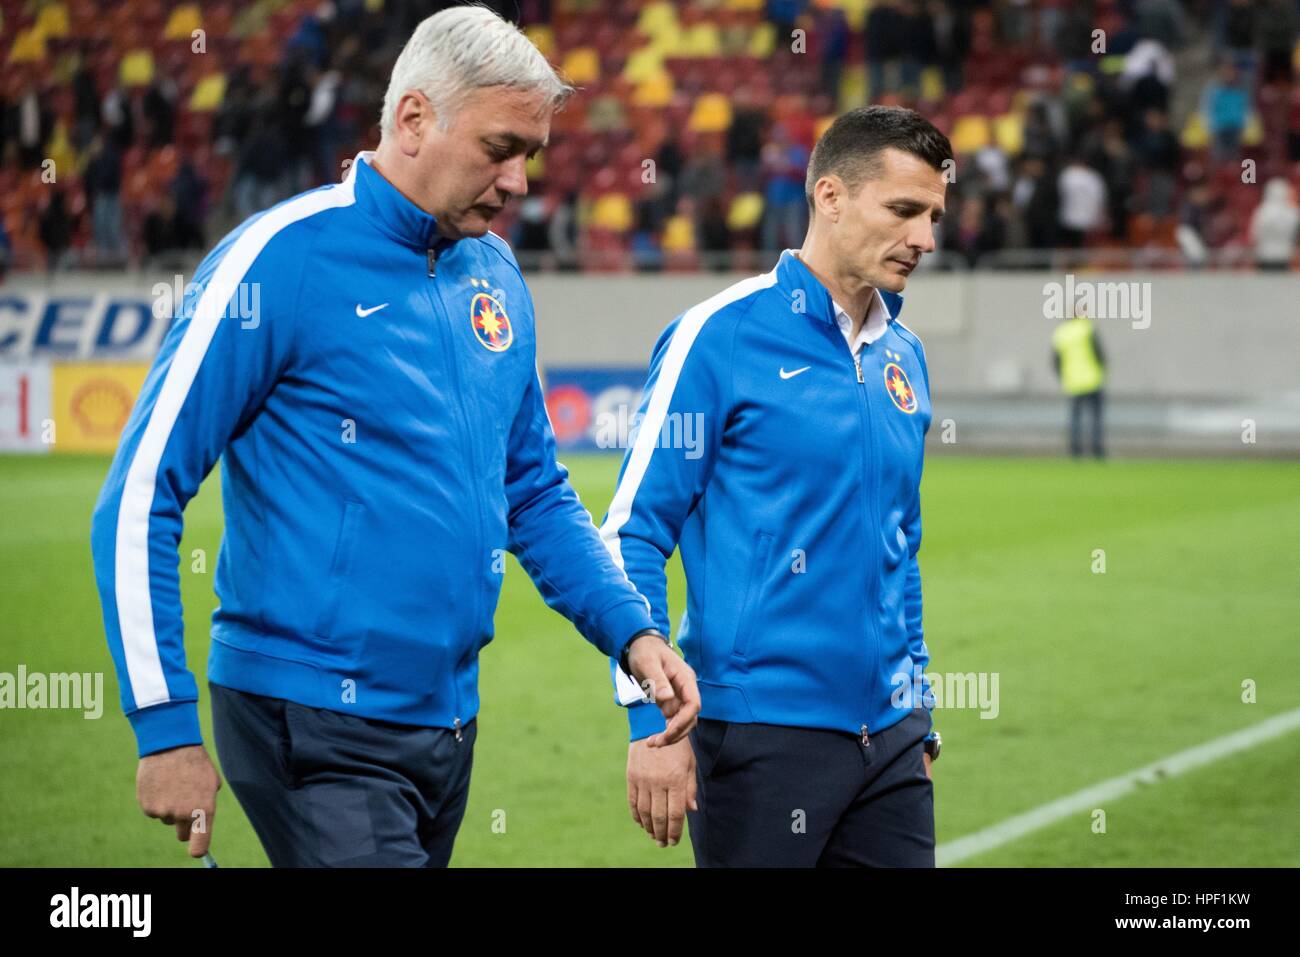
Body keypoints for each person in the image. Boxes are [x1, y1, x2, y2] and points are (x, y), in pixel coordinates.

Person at [89, 6, 699, 869]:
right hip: (312, 719)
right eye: (500, 149)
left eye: (531, 154)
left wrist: (632, 634)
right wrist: (163, 727)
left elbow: (530, 489)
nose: (521, 181)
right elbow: (140, 492)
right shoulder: (278, 260)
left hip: (447, 720)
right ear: (414, 119)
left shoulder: (494, 271)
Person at [604, 106, 948, 864]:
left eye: (932, 215)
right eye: (903, 210)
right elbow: (631, 532)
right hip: (760, 741)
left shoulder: (906, 357)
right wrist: (649, 722)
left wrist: (919, 710)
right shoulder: (718, 335)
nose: (925, 238)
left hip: (891, 746)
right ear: (830, 197)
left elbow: (900, 546)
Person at [1051, 311, 1107, 458]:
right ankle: (1097, 449)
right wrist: (1103, 368)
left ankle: (1075, 449)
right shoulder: (1087, 328)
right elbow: (1098, 352)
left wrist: (1063, 376)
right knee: (1095, 417)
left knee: (1075, 417)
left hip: (1073, 381)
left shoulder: (1061, 333)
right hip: (1092, 379)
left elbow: (1056, 360)